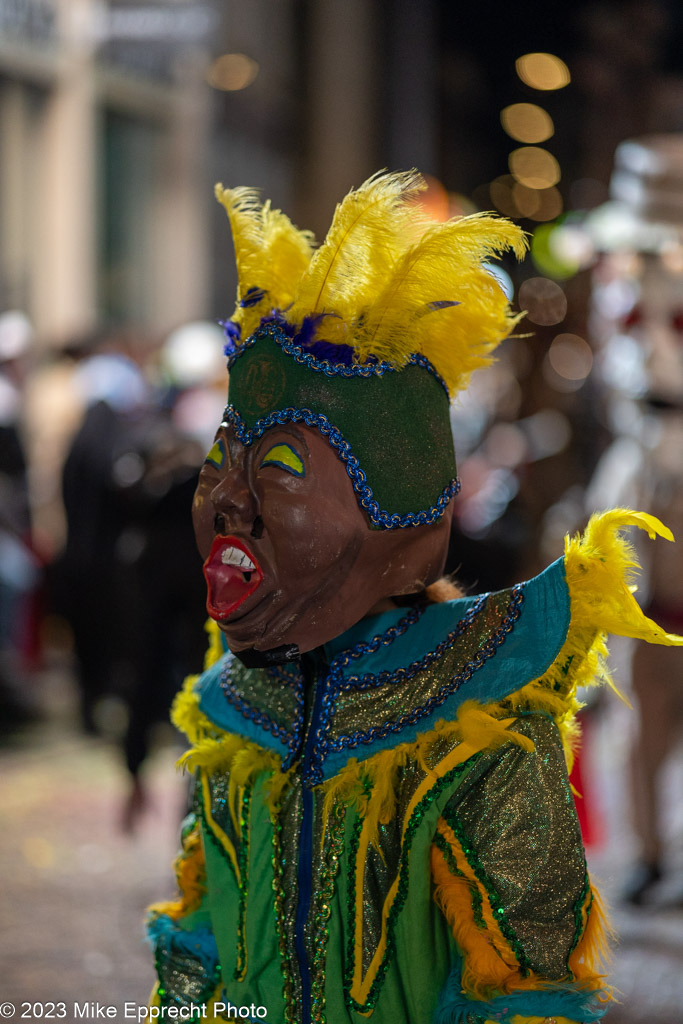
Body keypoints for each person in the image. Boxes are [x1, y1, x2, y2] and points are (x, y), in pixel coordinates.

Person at [147, 171, 681, 1024]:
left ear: (397, 525)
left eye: (279, 467)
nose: (229, 499)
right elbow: (198, 953)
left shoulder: (478, 718)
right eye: (222, 457)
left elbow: (527, 984)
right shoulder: (228, 709)